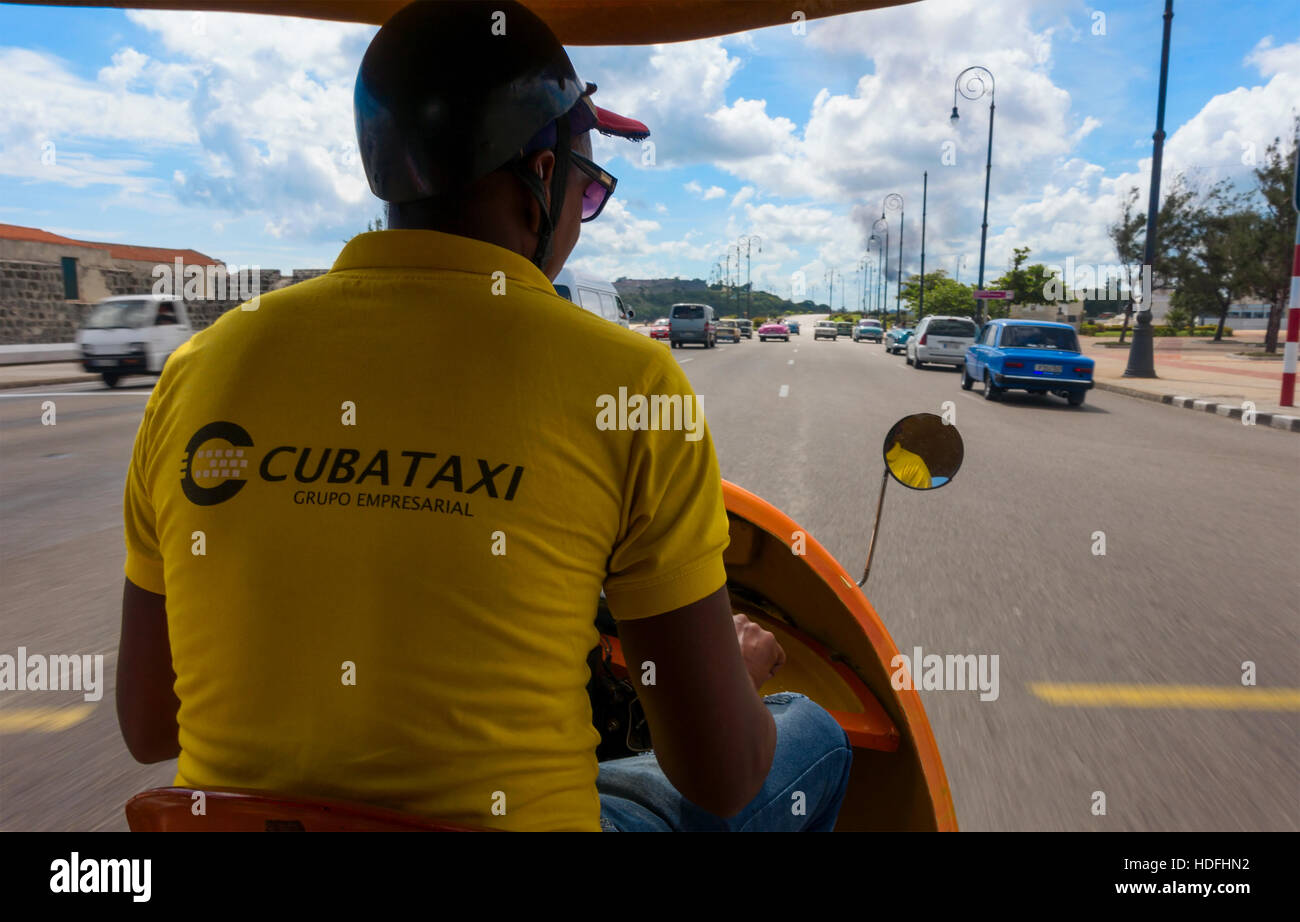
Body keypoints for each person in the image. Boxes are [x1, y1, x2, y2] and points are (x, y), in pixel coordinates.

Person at [116, 0, 850, 832]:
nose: (583, 212)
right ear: (541, 180)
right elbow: (720, 777)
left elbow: (149, 725)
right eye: (589, 186)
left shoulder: (199, 369)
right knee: (809, 737)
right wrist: (741, 675)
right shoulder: (632, 383)